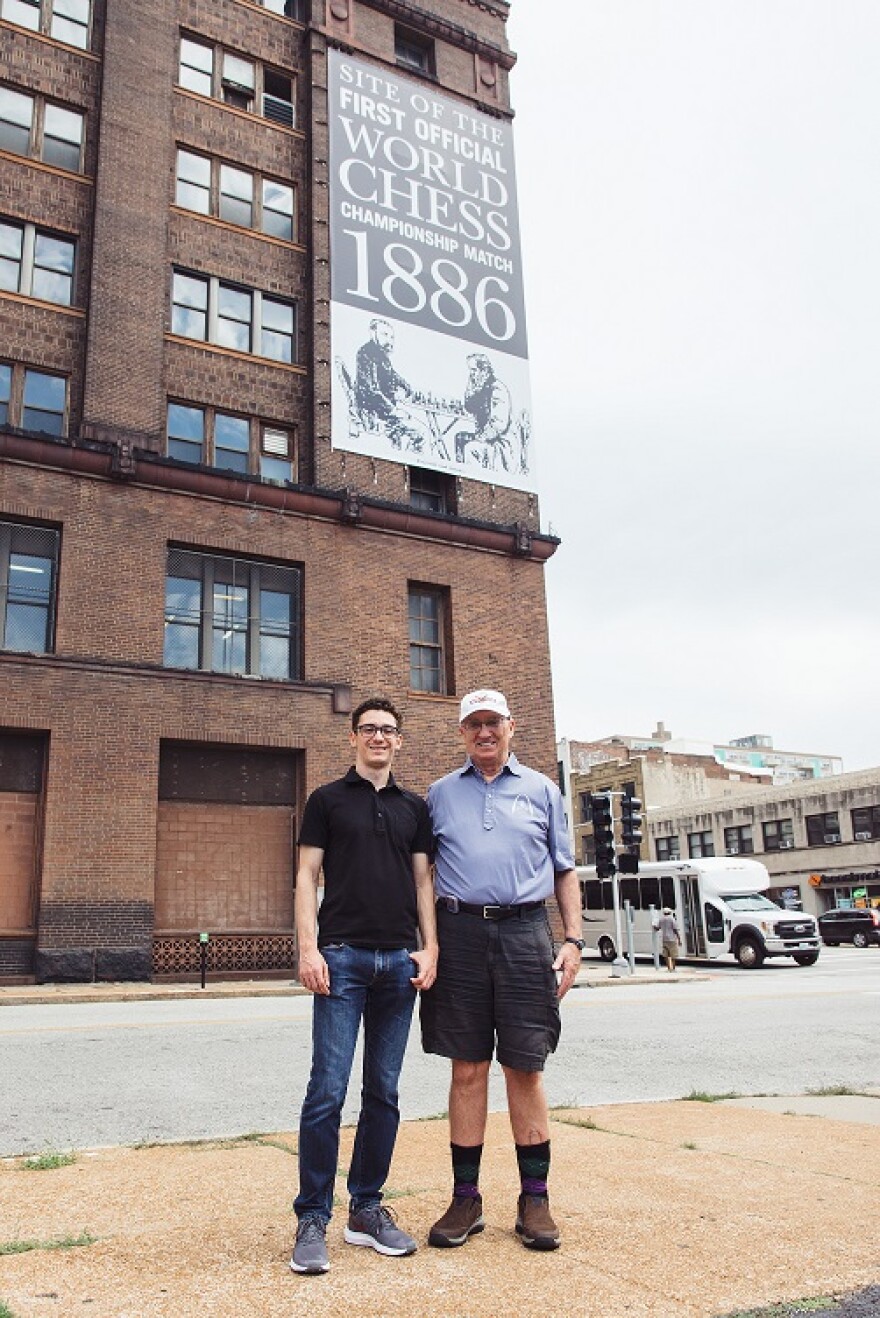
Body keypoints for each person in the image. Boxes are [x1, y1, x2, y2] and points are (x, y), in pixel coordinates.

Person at [420, 689, 581, 1253]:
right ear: (462, 733)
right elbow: (423, 876)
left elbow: (564, 870)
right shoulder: (438, 794)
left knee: (525, 1068)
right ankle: (466, 1198)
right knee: (467, 1069)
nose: (484, 732)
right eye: (473, 725)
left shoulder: (542, 790)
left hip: (524, 932)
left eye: (493, 722)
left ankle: (534, 1199)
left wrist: (574, 940)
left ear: (512, 726)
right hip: (459, 933)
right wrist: (428, 944)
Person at [290, 697, 438, 1275]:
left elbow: (424, 882)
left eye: (388, 730)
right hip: (342, 959)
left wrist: (431, 949)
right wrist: (308, 948)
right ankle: (311, 1218)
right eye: (370, 729)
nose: (379, 737)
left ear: (400, 742)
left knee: (384, 1091)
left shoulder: (414, 808)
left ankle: (367, 1209)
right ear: (353, 738)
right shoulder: (327, 800)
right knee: (326, 1090)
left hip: (399, 962)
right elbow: (306, 874)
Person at [354, 318, 426, 451]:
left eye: (392, 336)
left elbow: (392, 374)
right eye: (385, 335)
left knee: (413, 429)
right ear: (372, 333)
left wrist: (407, 387)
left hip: (385, 410)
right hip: (374, 412)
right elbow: (371, 391)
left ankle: (399, 452)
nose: (389, 340)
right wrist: (393, 410)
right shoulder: (366, 354)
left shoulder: (380, 354)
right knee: (421, 431)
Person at [454, 354, 513, 471]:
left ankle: (470, 473)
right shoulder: (481, 387)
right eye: (470, 371)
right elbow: (469, 407)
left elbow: (498, 425)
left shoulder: (497, 389)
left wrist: (480, 437)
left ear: (484, 370)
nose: (471, 374)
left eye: (474, 370)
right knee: (460, 438)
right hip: (485, 436)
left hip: (499, 441)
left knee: (471, 447)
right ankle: (460, 471)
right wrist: (470, 388)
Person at [655, 906, 681, 972]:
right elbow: (675, 929)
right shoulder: (672, 919)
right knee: (673, 955)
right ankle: (673, 968)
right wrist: (679, 939)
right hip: (672, 939)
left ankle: (669, 968)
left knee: (666, 955)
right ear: (670, 912)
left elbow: (657, 928)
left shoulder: (661, 919)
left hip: (664, 939)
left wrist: (653, 926)